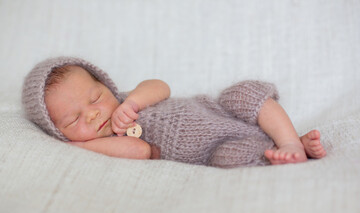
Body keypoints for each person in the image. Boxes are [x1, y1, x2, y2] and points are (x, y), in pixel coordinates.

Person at [22, 57, 326, 168]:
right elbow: (140, 151)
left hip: (220, 111)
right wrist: (84, 145)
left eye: (96, 97)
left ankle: (288, 141)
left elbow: (161, 86)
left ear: (106, 85)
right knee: (228, 159)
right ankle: (282, 151)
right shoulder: (106, 145)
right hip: (214, 149)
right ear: (58, 132)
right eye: (74, 120)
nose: (91, 114)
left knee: (242, 94)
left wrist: (133, 103)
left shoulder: (127, 100)